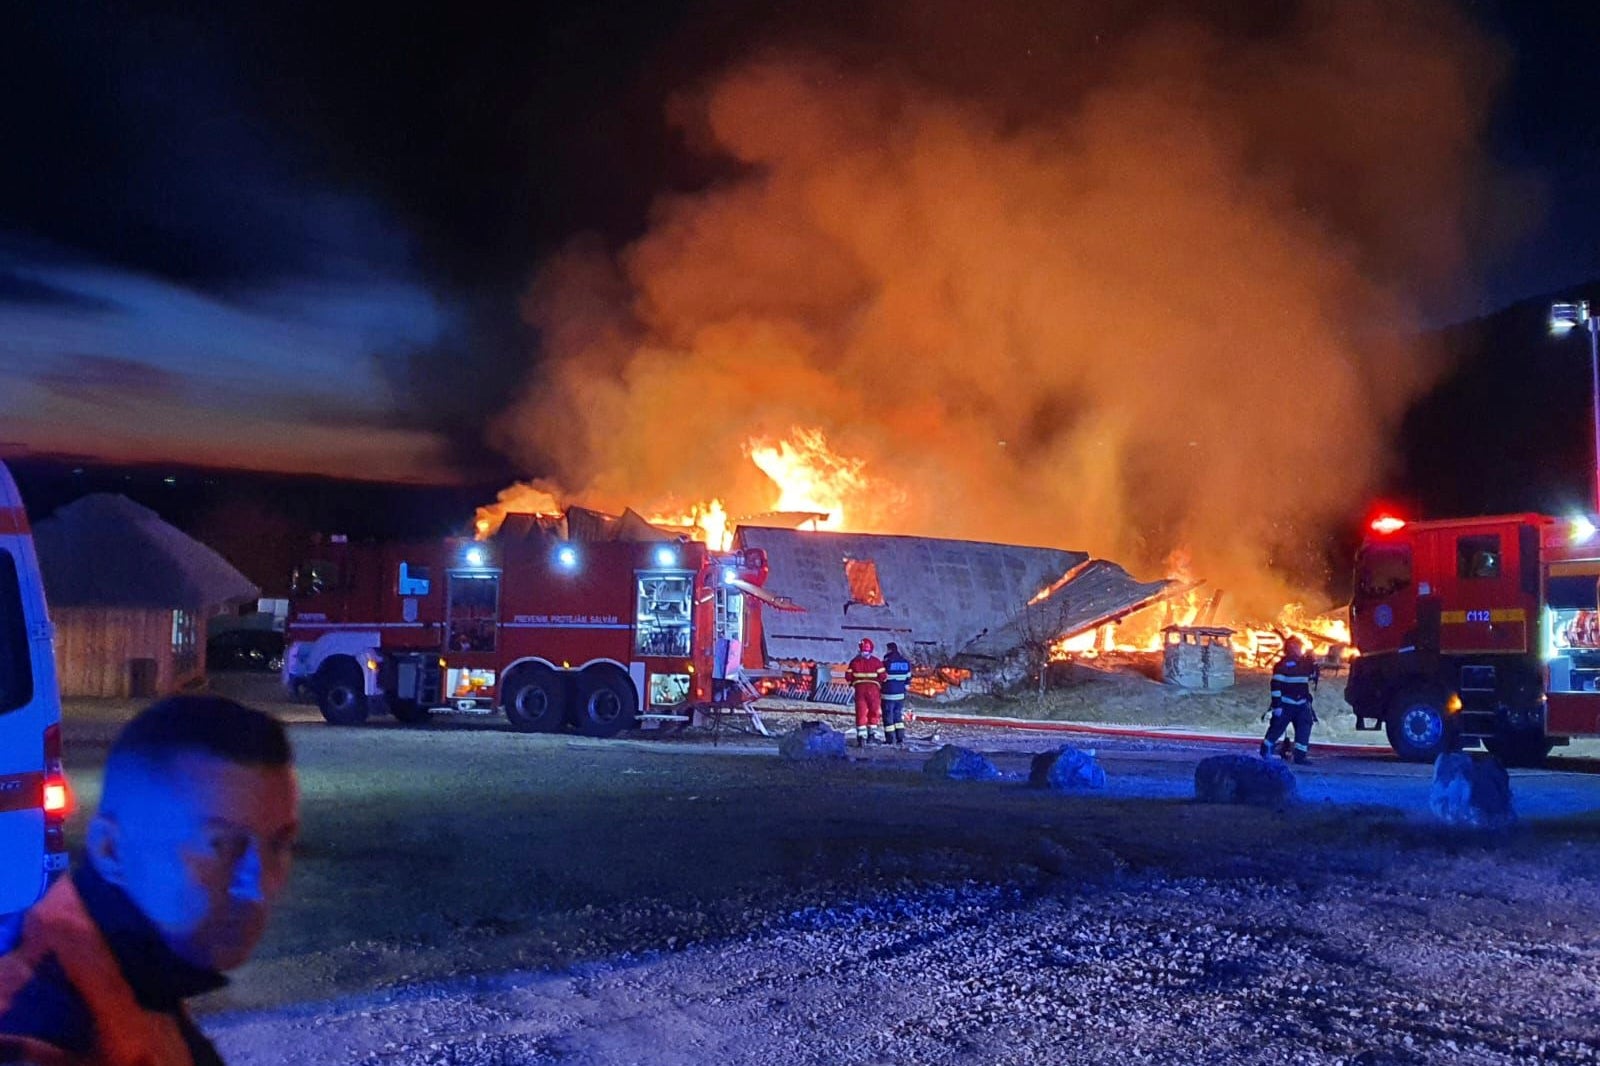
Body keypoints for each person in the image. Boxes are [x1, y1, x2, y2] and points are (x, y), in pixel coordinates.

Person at [0, 695, 300, 1065]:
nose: (260, 886)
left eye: (279, 843)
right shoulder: (40, 1018)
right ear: (111, 851)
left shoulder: (143, 968)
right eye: (222, 845)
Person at [1260, 636, 1320, 764]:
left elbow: (1313, 676)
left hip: (1302, 704)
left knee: (1304, 728)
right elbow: (1275, 686)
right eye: (1298, 647)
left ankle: (1300, 756)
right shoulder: (1282, 666)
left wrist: (1313, 661)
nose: (1300, 650)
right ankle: (1265, 751)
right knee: (1277, 729)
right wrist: (1277, 706)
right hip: (1286, 704)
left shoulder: (1303, 663)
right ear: (1293, 648)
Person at [845, 638, 886, 747]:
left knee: (861, 712)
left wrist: (853, 683)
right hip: (874, 690)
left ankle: (861, 738)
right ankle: (871, 735)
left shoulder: (854, 662)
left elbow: (848, 676)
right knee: (874, 712)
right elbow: (883, 676)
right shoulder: (877, 662)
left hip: (860, 690)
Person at [880, 642, 913, 746]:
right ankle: (900, 738)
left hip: (888, 694)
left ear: (889, 649)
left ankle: (890, 739)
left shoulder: (887, 662)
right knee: (897, 716)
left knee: (888, 717)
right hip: (900, 695)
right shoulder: (905, 662)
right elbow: (908, 679)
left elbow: (881, 677)